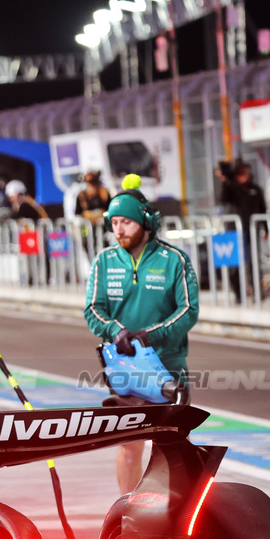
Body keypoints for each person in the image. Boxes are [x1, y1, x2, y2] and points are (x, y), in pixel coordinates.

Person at [84, 178, 199, 494]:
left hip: (169, 366)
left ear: (146, 222)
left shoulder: (174, 260)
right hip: (126, 369)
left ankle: (180, 513)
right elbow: (92, 309)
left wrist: (153, 334)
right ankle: (128, 513)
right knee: (130, 445)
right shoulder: (104, 262)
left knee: (176, 443)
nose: (119, 229)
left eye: (127, 222)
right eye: (115, 223)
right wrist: (115, 331)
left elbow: (188, 310)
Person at [218, 160, 266, 304]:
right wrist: (225, 180)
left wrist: (266, 228)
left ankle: (257, 292)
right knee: (235, 265)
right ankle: (239, 294)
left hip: (251, 231)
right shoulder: (230, 188)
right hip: (233, 232)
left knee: (254, 263)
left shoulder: (255, 189)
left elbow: (262, 209)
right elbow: (223, 199)